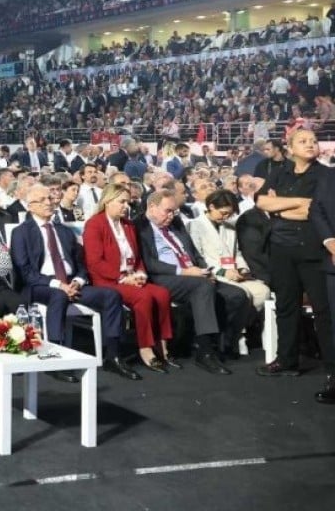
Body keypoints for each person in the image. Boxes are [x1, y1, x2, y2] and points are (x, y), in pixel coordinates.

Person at [12, 184, 141, 381]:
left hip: (72, 284)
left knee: (111, 295)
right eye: (43, 200)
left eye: (50, 198)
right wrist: (59, 285)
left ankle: (113, 356)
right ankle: (55, 359)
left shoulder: (63, 231)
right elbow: (25, 271)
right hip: (42, 286)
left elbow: (81, 263)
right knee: (58, 295)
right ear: (30, 206)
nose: (49, 202)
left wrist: (79, 281)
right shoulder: (21, 232)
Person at [136, 189, 252, 374]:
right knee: (203, 287)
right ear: (152, 206)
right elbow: (149, 262)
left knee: (237, 295)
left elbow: (193, 252)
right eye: (168, 211)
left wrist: (206, 270)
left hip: (194, 273)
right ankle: (205, 352)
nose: (172, 215)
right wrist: (184, 271)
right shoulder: (139, 226)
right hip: (165, 277)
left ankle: (219, 344)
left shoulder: (176, 222)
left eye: (174, 211)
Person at [264, 130, 335, 402]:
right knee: (286, 305)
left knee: (324, 312)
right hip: (281, 248)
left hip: (315, 250)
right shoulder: (279, 171)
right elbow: (262, 202)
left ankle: (332, 371)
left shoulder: (325, 175)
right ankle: (286, 361)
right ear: (290, 147)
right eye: (303, 141)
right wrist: (293, 204)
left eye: (313, 141)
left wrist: (279, 205)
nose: (310, 144)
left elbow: (314, 210)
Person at [82, 183, 175, 372]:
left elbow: (137, 257)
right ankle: (145, 348)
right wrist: (122, 277)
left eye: (128, 202)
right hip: (107, 281)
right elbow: (94, 262)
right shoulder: (95, 224)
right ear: (108, 201)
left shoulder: (128, 225)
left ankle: (162, 344)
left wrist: (140, 274)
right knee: (143, 297)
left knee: (162, 294)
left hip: (131, 276)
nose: (126, 206)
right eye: (122, 201)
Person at [188, 190, 271, 315]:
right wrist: (222, 271)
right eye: (223, 213)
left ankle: (245, 325)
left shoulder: (230, 228)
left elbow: (236, 253)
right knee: (243, 293)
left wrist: (243, 269)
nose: (226, 217)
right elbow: (199, 258)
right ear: (211, 207)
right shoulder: (194, 226)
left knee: (263, 291)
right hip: (214, 273)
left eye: (229, 214)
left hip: (234, 272)